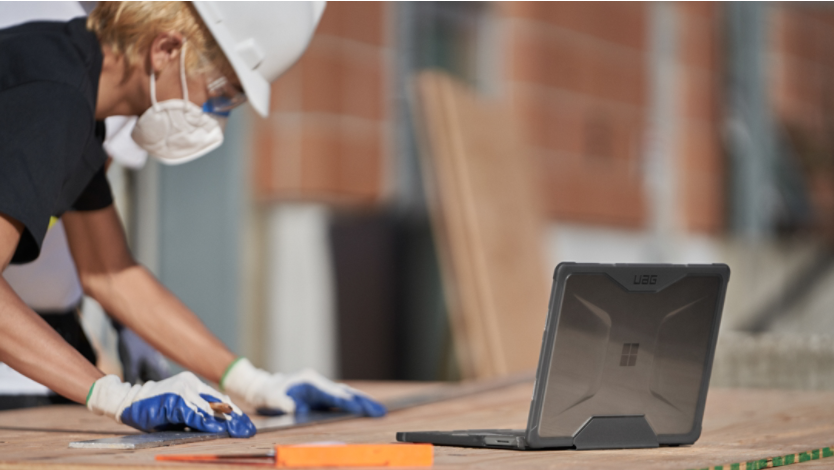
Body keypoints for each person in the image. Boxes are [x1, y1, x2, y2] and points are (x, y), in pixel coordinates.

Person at [0, 1, 385, 438]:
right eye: (223, 90)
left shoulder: (82, 107)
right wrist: (113, 396)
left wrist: (251, 382)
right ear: (165, 49)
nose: (216, 114)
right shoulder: (57, 95)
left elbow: (110, 273)